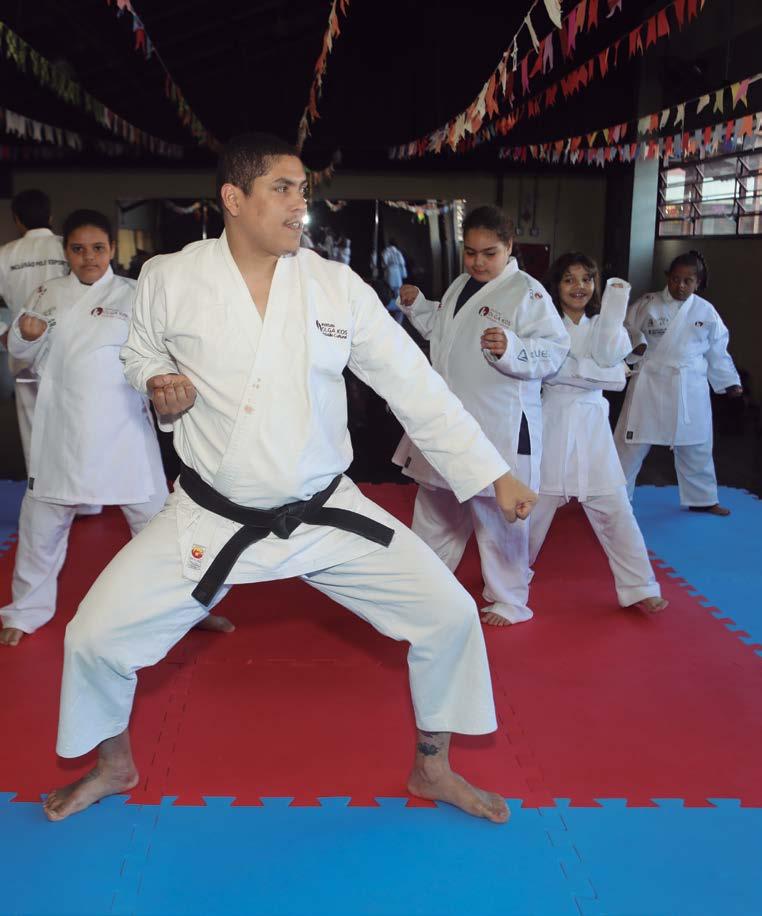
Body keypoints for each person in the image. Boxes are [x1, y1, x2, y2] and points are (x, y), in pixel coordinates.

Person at [43, 133, 538, 825]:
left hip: (326, 510)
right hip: (213, 514)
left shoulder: (334, 287)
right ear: (233, 199)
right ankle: (113, 762)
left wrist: (492, 472)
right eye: (283, 188)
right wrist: (157, 381)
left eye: (303, 190)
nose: (299, 204)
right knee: (92, 637)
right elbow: (141, 351)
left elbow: (414, 386)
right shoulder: (170, 278)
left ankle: (433, 767)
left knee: (450, 616)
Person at [0, 210, 216, 646]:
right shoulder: (46, 292)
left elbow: (160, 357)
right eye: (78, 249)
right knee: (41, 532)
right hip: (61, 436)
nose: (89, 258)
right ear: (66, 253)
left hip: (123, 435)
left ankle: (190, 608)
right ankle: (24, 611)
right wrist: (22, 335)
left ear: (112, 251)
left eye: (98, 248)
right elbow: (21, 356)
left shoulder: (135, 295)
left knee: (161, 531)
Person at [393, 206, 569, 626]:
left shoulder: (528, 293)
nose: (477, 262)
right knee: (436, 504)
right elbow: (445, 329)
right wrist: (419, 308)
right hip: (451, 418)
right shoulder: (461, 285)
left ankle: (509, 599)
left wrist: (512, 349)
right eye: (470, 252)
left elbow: (556, 349)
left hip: (501, 421)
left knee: (498, 513)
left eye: (489, 253)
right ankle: (427, 587)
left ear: (510, 248)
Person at [529, 253, 667, 614]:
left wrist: (581, 369)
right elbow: (547, 372)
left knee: (615, 508)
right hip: (553, 420)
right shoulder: (543, 325)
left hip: (592, 427)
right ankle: (507, 579)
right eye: (569, 279)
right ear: (555, 285)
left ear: (596, 286)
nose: (578, 287)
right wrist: (601, 372)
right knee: (532, 509)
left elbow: (619, 378)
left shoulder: (610, 326)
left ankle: (640, 586)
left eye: (586, 279)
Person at [614, 251, 743, 515]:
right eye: (675, 279)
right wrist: (635, 347)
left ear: (698, 283)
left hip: (689, 384)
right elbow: (624, 329)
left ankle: (702, 498)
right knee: (630, 443)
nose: (680, 286)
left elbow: (717, 350)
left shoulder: (706, 312)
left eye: (688, 281)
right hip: (649, 381)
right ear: (667, 278)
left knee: (696, 443)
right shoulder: (647, 304)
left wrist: (729, 381)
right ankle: (615, 498)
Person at [0, 190, 69, 467]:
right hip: (67, 348)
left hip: (24, 350)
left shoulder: (6, 254)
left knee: (33, 425)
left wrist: (3, 331)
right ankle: (84, 499)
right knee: (71, 421)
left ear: (17, 219)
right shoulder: (69, 247)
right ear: (50, 216)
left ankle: (38, 488)